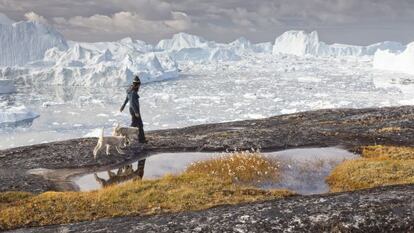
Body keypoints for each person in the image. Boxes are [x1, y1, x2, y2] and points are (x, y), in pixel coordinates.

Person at [120, 75, 147, 143]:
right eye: (139, 85)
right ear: (137, 85)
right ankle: (142, 140)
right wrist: (136, 112)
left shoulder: (130, 89)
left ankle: (125, 139)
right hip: (135, 110)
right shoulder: (133, 92)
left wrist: (123, 106)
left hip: (132, 110)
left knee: (134, 124)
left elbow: (127, 98)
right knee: (140, 125)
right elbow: (132, 102)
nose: (139, 87)